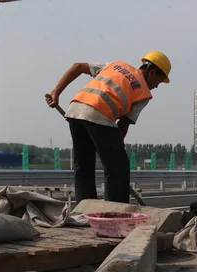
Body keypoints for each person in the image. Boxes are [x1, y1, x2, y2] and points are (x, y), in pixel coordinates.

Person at [46, 52, 171, 204]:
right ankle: (114, 212)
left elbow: (77, 66)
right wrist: (111, 148)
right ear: (152, 73)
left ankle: (84, 210)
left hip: (76, 109)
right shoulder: (144, 93)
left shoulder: (116, 65)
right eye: (159, 80)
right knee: (118, 167)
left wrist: (56, 92)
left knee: (83, 164)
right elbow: (123, 126)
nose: (157, 86)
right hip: (99, 114)